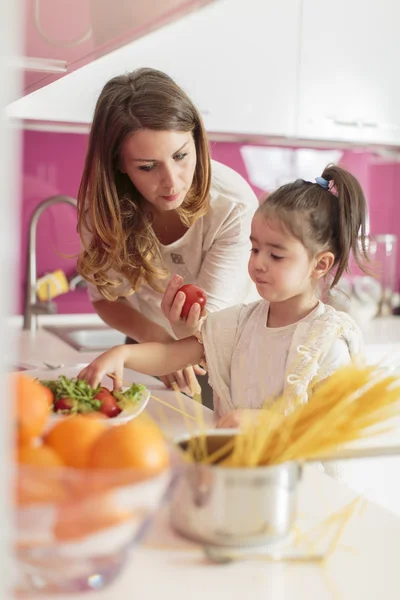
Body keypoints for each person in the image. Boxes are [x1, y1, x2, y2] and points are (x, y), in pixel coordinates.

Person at [78, 164, 368, 428]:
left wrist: (264, 423)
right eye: (255, 249)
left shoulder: (327, 342)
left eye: (276, 255)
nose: (258, 263)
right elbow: (171, 355)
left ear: (320, 264)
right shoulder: (239, 323)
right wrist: (123, 354)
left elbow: (331, 426)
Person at [76, 67, 258, 399]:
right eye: (147, 166)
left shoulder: (232, 204)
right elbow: (104, 298)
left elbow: (206, 330)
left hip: (229, 349)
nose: (172, 181)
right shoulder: (103, 212)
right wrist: (153, 337)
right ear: (119, 164)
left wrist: (171, 340)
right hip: (147, 344)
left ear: (197, 141)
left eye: (181, 156)